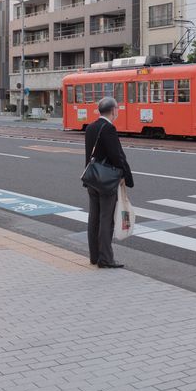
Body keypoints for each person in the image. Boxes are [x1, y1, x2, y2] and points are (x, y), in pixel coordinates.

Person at [84, 96, 134, 268]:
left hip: (92, 179)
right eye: (117, 109)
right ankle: (106, 258)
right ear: (113, 110)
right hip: (107, 182)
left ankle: (94, 256)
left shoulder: (91, 127)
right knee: (107, 219)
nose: (118, 111)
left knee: (94, 219)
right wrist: (124, 175)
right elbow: (116, 156)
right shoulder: (109, 128)